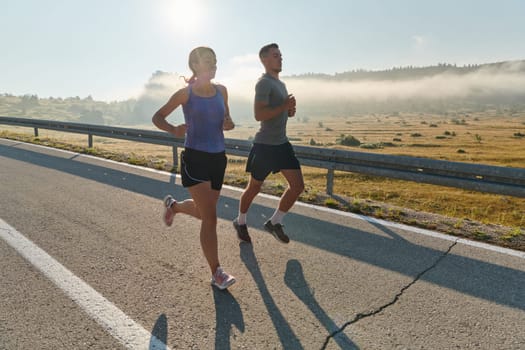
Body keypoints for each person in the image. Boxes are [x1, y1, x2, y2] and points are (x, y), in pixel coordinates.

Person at [152, 46, 236, 290]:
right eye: (208, 61)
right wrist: (172, 130)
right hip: (195, 158)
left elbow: (226, 121)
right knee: (210, 216)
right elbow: (158, 117)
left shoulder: (222, 91)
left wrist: (228, 123)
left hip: (218, 159)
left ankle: (174, 206)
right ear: (195, 65)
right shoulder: (185, 94)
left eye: (215, 61)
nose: (213, 65)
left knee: (202, 213)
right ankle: (217, 273)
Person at [233, 43, 304, 244]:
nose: (280, 58)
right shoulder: (263, 83)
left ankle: (275, 222)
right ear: (264, 60)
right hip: (265, 146)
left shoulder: (281, 84)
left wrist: (289, 111)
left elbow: (278, 112)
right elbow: (259, 114)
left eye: (281, 55)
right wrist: (284, 106)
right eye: (275, 55)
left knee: (297, 186)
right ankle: (241, 221)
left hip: (281, 144)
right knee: (254, 187)